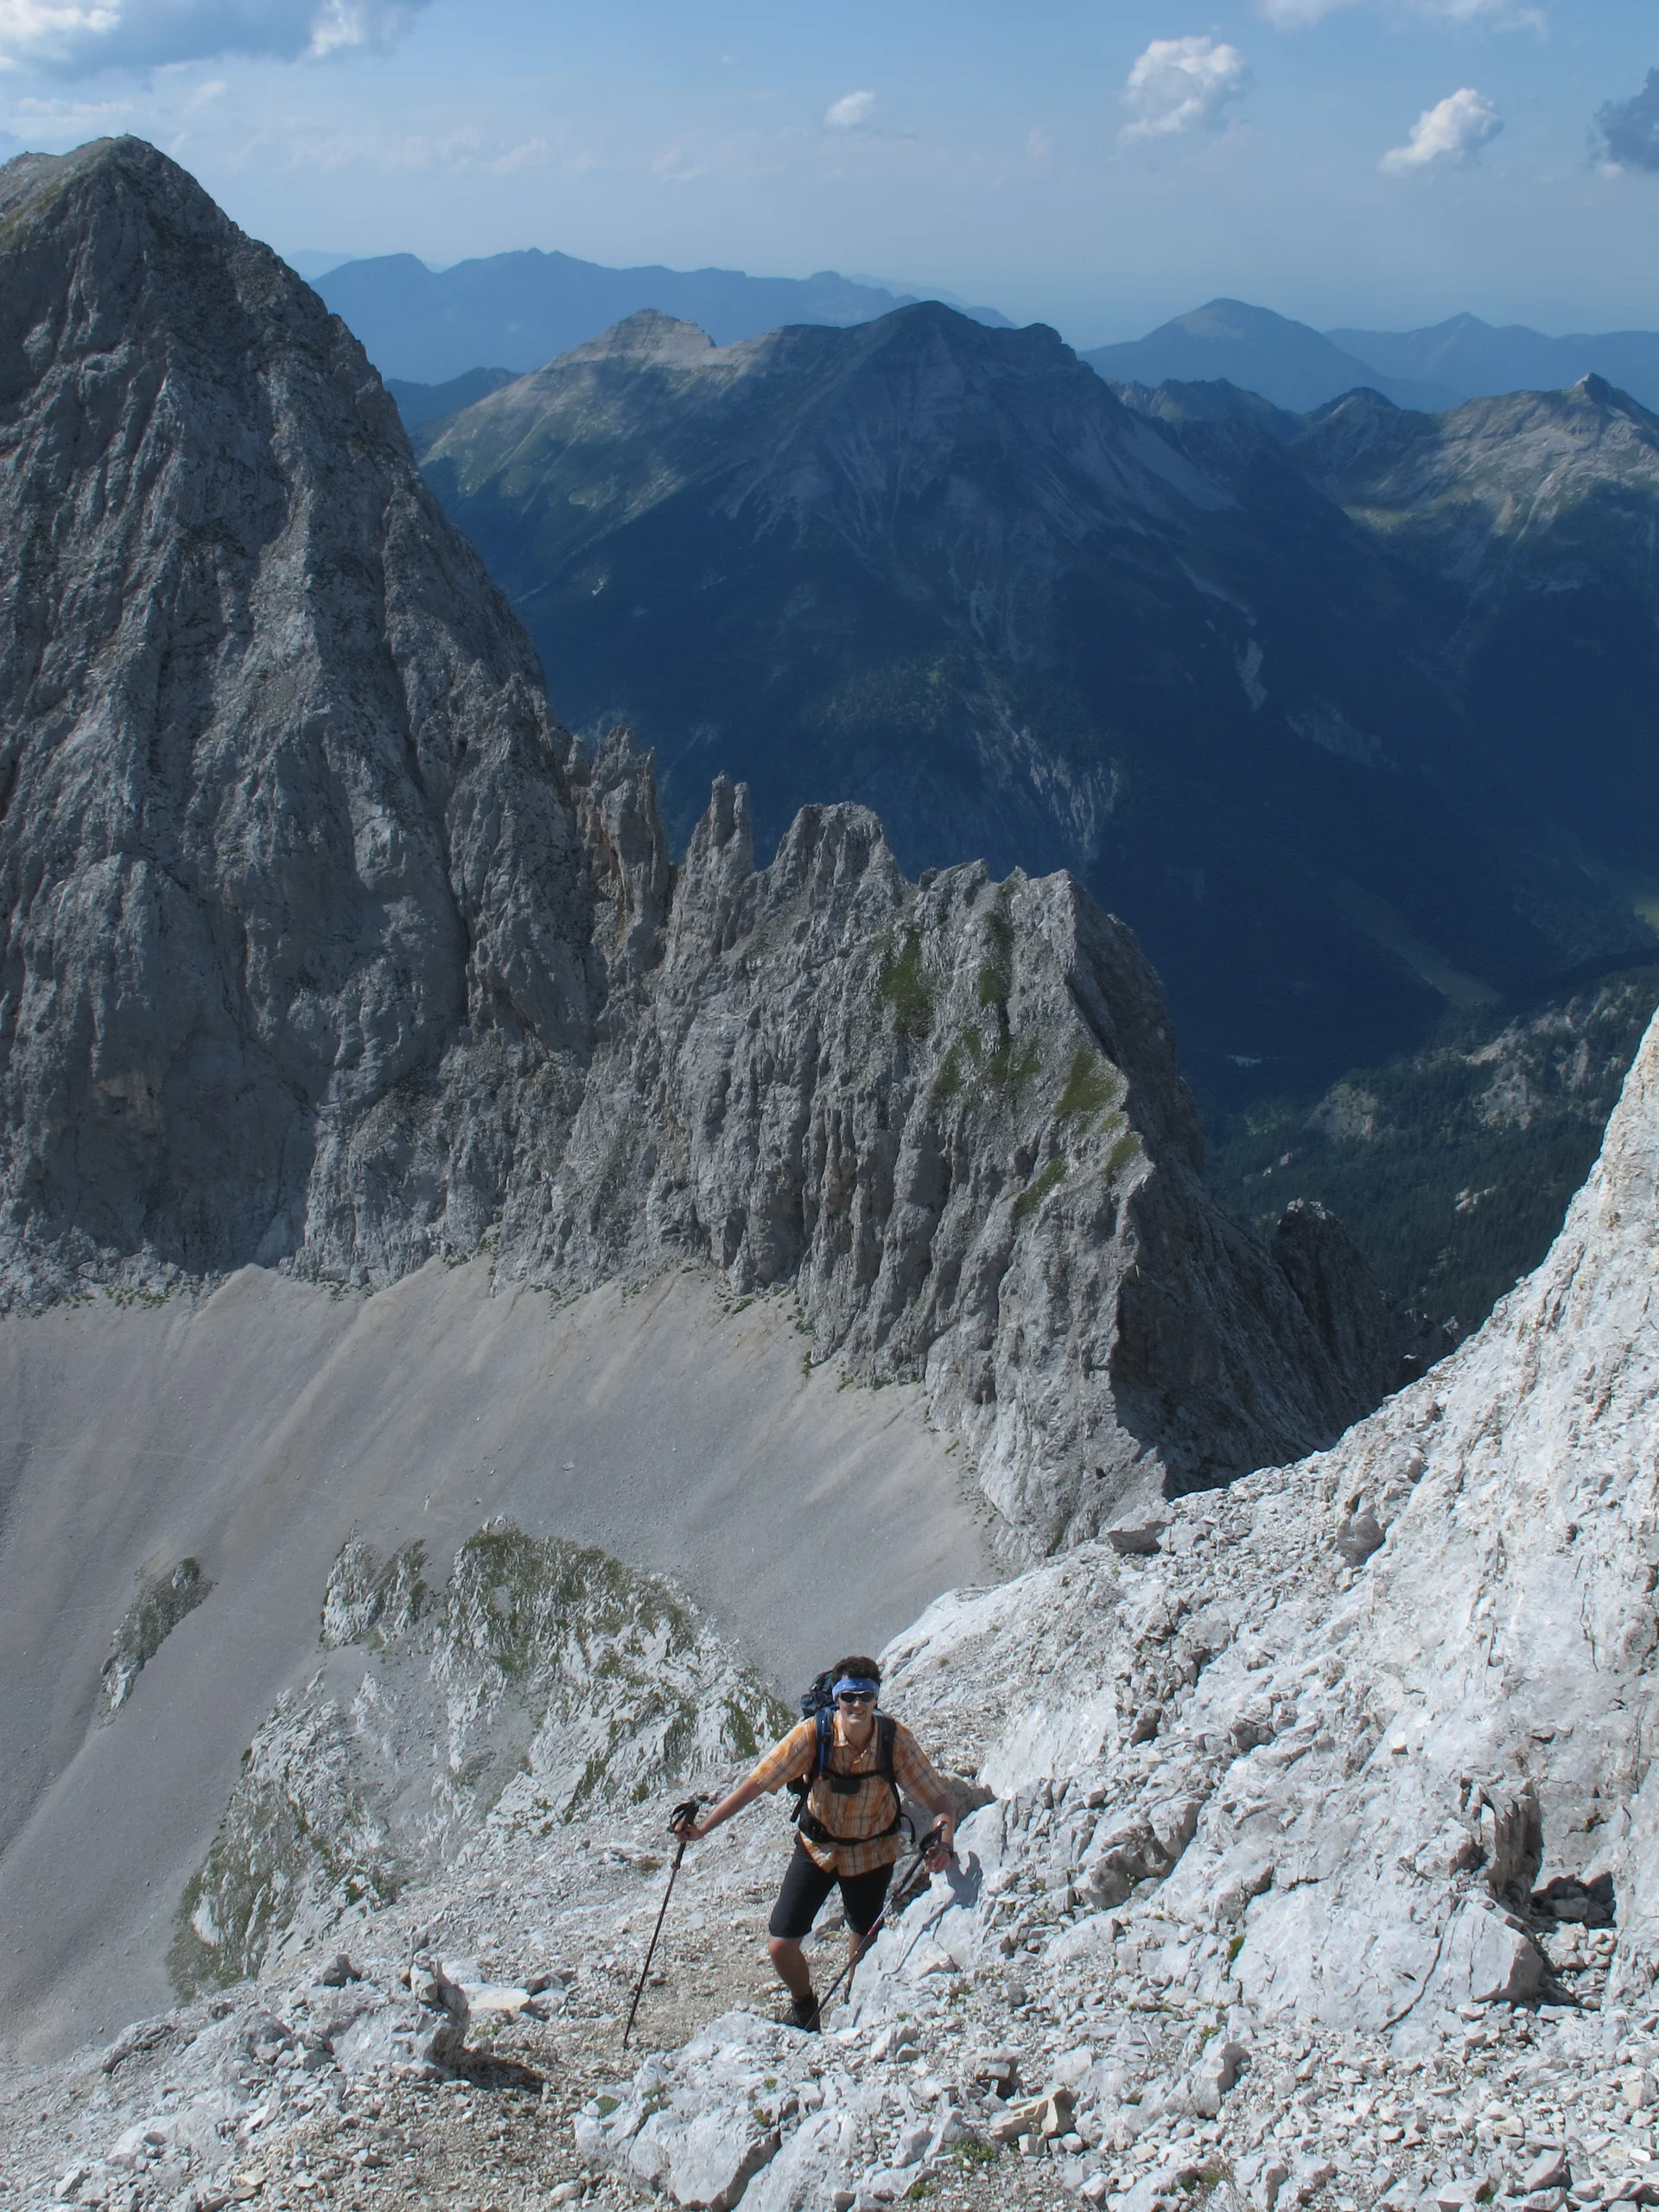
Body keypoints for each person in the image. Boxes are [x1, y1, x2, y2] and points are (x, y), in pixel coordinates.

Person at [671, 1655, 957, 2031]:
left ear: (876, 1698)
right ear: (837, 1698)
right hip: (817, 1848)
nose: (857, 1705)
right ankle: (806, 2009)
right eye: (849, 1696)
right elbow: (757, 1783)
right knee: (781, 1943)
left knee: (864, 1938)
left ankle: (856, 2007)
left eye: (866, 1696)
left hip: (872, 1853)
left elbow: (940, 1804)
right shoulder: (813, 1734)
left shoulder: (895, 1740)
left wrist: (943, 1842)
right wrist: (704, 1827)